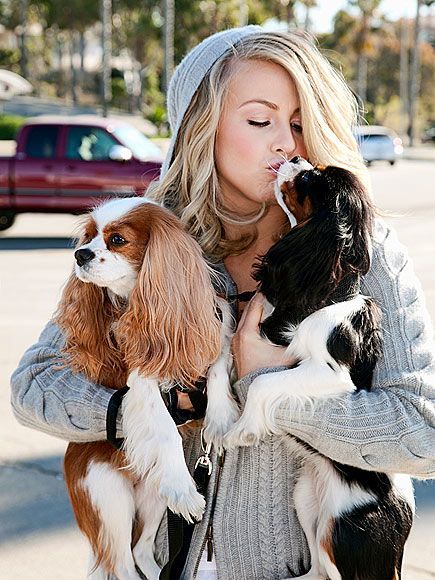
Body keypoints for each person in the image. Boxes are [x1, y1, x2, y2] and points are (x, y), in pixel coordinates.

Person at [11, 26, 435, 579]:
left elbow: (421, 431)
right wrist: (150, 409)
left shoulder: (361, 248)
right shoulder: (151, 234)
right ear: (199, 127)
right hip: (166, 566)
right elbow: (34, 387)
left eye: (302, 125)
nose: (286, 143)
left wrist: (269, 393)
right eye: (260, 121)